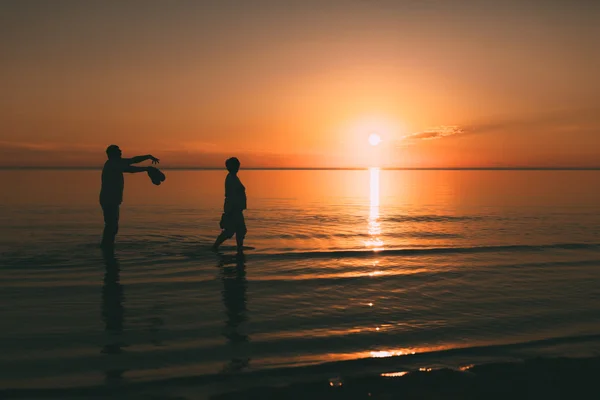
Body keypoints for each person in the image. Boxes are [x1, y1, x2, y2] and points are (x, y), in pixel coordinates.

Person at [100, 145, 159, 248]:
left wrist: (148, 156)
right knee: (111, 225)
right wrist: (146, 168)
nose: (121, 152)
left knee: (112, 225)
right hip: (109, 200)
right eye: (118, 151)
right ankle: (106, 247)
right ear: (113, 154)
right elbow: (130, 169)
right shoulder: (112, 164)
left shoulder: (115, 163)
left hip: (112, 199)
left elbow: (133, 160)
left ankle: (107, 246)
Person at [212, 157, 247, 254]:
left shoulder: (233, 177)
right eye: (236, 165)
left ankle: (239, 248)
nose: (238, 166)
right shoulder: (231, 178)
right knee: (232, 231)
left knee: (239, 230)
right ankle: (216, 246)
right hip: (233, 208)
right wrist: (229, 211)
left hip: (236, 208)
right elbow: (232, 195)